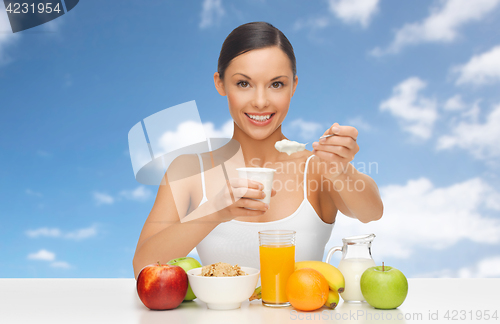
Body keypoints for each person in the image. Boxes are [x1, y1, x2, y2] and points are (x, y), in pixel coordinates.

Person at [132, 21, 383, 279]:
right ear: (220, 84)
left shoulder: (317, 168)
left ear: (294, 86)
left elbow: (371, 212)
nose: (261, 102)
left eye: (276, 84)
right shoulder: (189, 171)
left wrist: (340, 170)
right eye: (243, 84)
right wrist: (216, 211)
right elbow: (143, 264)